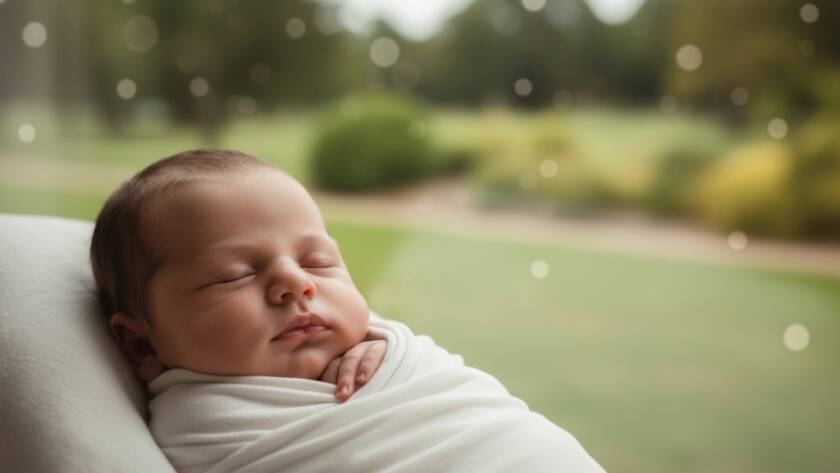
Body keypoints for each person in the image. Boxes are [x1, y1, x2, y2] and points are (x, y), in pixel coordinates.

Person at [91, 149, 605, 472]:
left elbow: (450, 398)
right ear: (140, 343)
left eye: (319, 261)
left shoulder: (389, 357)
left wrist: (384, 346)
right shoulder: (203, 429)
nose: (297, 282)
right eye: (236, 275)